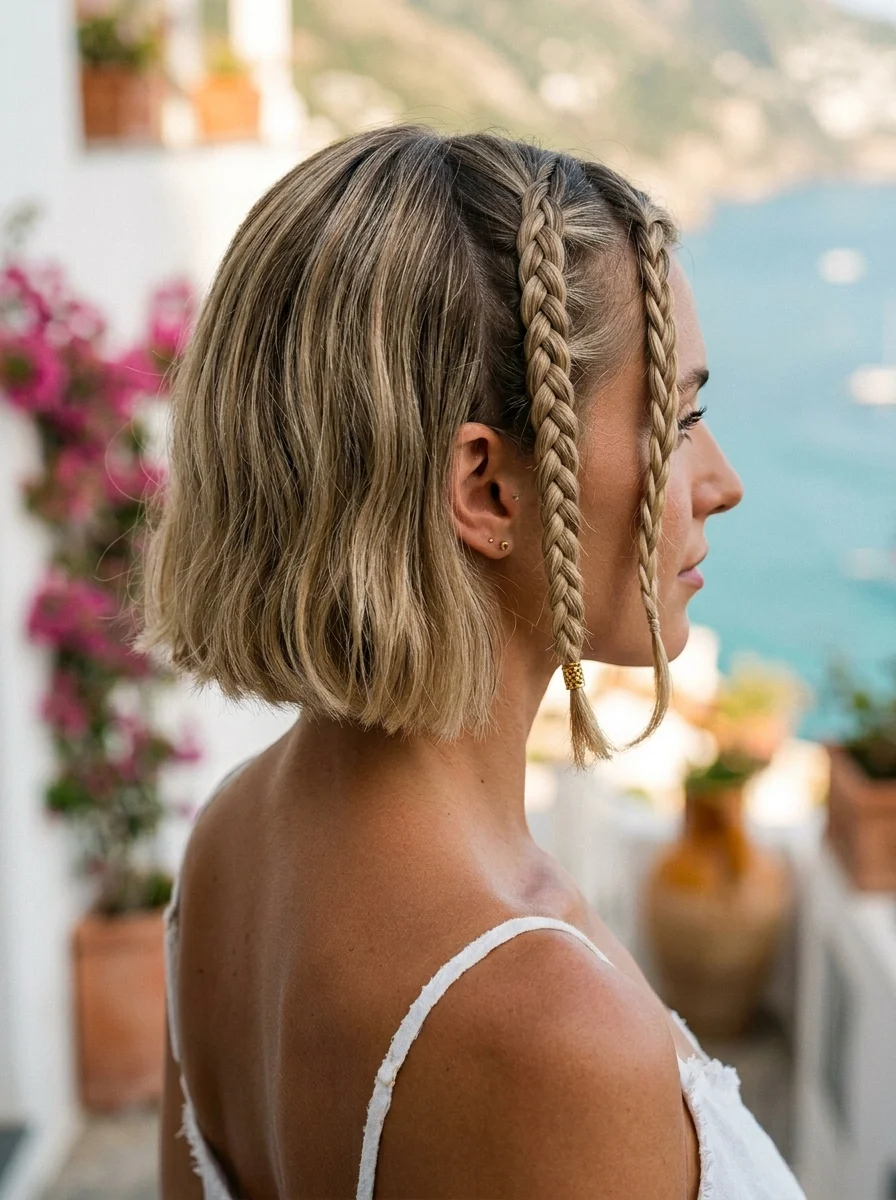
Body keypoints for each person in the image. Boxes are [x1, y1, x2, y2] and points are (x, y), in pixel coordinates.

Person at [141, 125, 805, 1199]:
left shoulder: (233, 839)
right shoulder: (541, 1033)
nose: (718, 479)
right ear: (488, 488)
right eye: (677, 417)